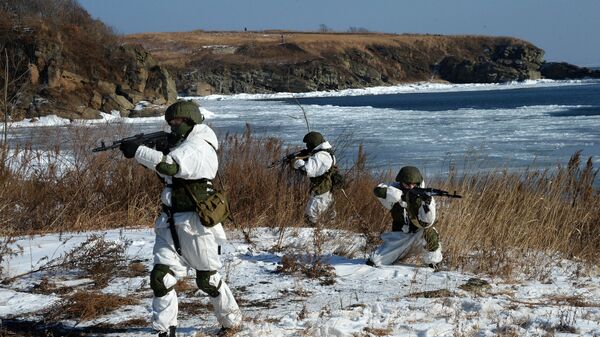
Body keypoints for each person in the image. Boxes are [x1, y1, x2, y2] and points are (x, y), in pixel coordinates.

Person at [119, 100, 242, 337]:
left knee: (207, 280)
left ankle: (232, 321)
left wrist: (139, 151)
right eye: (170, 122)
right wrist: (147, 154)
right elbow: (167, 171)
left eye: (176, 122)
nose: (173, 126)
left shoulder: (199, 146)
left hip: (196, 225)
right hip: (169, 222)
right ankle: (165, 331)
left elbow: (171, 167)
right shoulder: (183, 144)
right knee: (160, 277)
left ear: (190, 121)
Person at [366, 166, 443, 269]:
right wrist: (398, 196)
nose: (411, 187)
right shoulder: (395, 191)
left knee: (430, 232)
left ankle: (433, 263)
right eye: (407, 184)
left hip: (417, 237)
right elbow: (378, 190)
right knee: (374, 261)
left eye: (414, 184)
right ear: (401, 183)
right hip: (399, 238)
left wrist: (426, 205)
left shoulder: (425, 197)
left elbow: (428, 222)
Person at [291, 131, 336, 225]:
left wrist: (296, 162)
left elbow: (307, 170)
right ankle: (327, 236)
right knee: (328, 218)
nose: (307, 146)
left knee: (310, 217)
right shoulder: (324, 153)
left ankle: (316, 237)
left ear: (313, 143)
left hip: (321, 191)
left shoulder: (321, 156)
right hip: (325, 190)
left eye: (308, 144)